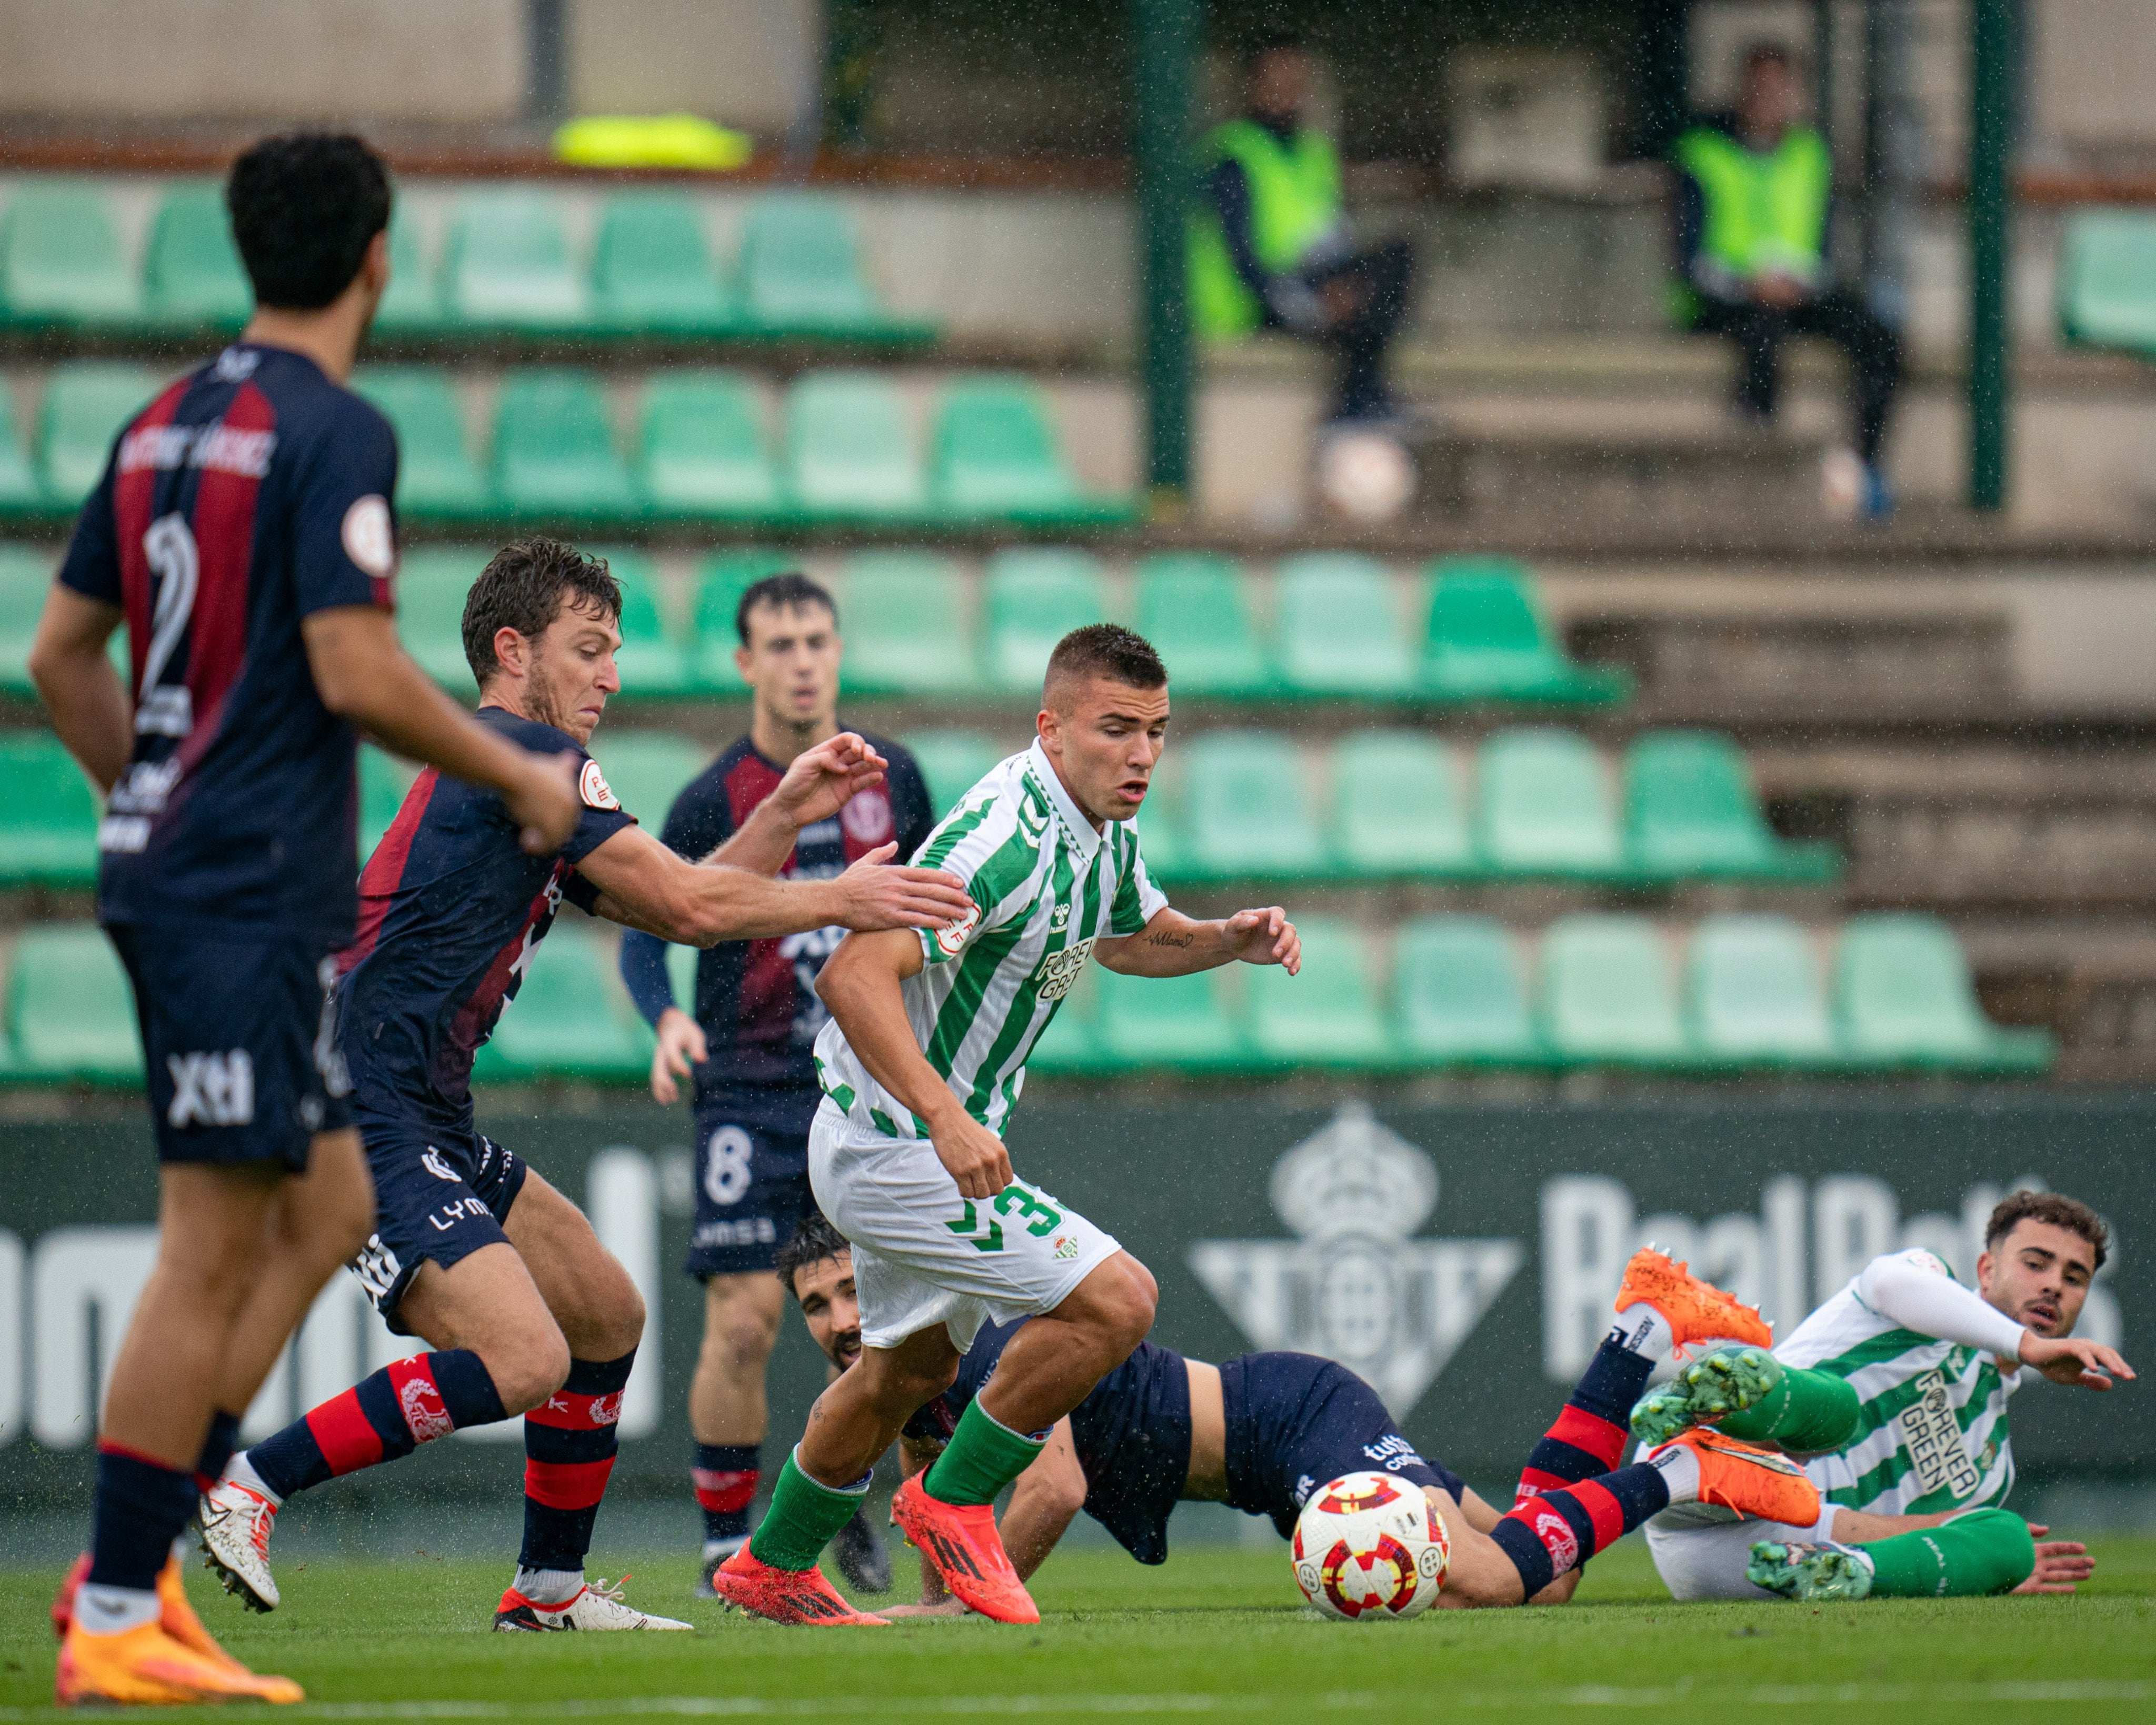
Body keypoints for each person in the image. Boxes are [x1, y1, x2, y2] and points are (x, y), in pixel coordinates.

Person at [33, 134, 587, 1707]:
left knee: (332, 1204)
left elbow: (63, 658)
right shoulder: (332, 428)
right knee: (213, 1245)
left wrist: (140, 796)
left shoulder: (160, 425)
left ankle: (143, 1556)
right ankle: (119, 1598)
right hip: (240, 890)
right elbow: (353, 668)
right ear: (378, 258)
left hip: (195, 873)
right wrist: (515, 775)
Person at [195, 539, 972, 1633]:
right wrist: (846, 896)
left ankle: (547, 1591)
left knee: (606, 1314)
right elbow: (697, 912)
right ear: (513, 653)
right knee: (523, 1357)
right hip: (353, 1106)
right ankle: (249, 1484)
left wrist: (787, 817)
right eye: (589, 649)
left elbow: (675, 902)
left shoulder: (517, 771)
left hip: (423, 1111)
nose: (611, 675)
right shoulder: (529, 758)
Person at [774, 1217, 1822, 1613]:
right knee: (1544, 1577)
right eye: (812, 1305)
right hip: (1273, 1463)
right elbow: (935, 1503)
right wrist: (931, 1615)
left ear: (892, 1273)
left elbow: (1054, 1484)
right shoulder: (912, 1377)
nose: (832, 1319)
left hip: (1292, 1420)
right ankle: (1639, 1326)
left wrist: (960, 1614)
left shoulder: (987, 1336)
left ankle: (1688, 1469)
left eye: (845, 1291)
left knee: (1493, 1582)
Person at [616, 571, 933, 1598]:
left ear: (837, 653)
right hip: (749, 1087)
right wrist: (664, 1014)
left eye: (816, 641)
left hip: (868, 1077)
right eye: (780, 644)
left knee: (887, 1323)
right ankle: (722, 1548)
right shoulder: (714, 796)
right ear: (747, 663)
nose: (802, 661)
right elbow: (652, 918)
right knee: (747, 1319)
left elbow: (930, 912)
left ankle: (855, 1510)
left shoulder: (901, 777)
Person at [1637, 1190, 2132, 1602]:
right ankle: (1719, 1402)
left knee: (2009, 1537)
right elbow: (1890, 1281)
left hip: (1763, 1559)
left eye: (2074, 1278)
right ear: (1986, 1270)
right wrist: (2030, 1345)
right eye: (2036, 1263)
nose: (2053, 1286)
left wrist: (1980, 1565)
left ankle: (1851, 1571)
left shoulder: (1993, 1466)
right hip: (1700, 1470)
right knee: (1838, 1413)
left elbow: (1927, 1536)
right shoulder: (1923, 1289)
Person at [1673, 42, 1902, 518]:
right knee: (1761, 339)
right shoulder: (1701, 153)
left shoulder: (1810, 154)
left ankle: (1864, 473)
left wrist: (1796, 284)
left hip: (1797, 293)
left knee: (1879, 338)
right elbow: (1691, 259)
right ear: (1741, 90)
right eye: (1759, 87)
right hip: (1728, 298)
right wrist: (1749, 284)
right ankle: (1759, 480)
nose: (1769, 98)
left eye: (1780, 89)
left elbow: (1821, 247)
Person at [1189, 29, 1415, 427]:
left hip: (1314, 281)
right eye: (1277, 80)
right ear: (1252, 86)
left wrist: (1342, 286)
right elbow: (1242, 259)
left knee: (1395, 259)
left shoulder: (1315, 152)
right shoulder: (1232, 155)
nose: (1288, 91)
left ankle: (1361, 404)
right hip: (1256, 304)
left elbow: (1333, 236)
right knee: (1352, 318)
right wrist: (1304, 303)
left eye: (1296, 81)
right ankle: (1359, 404)